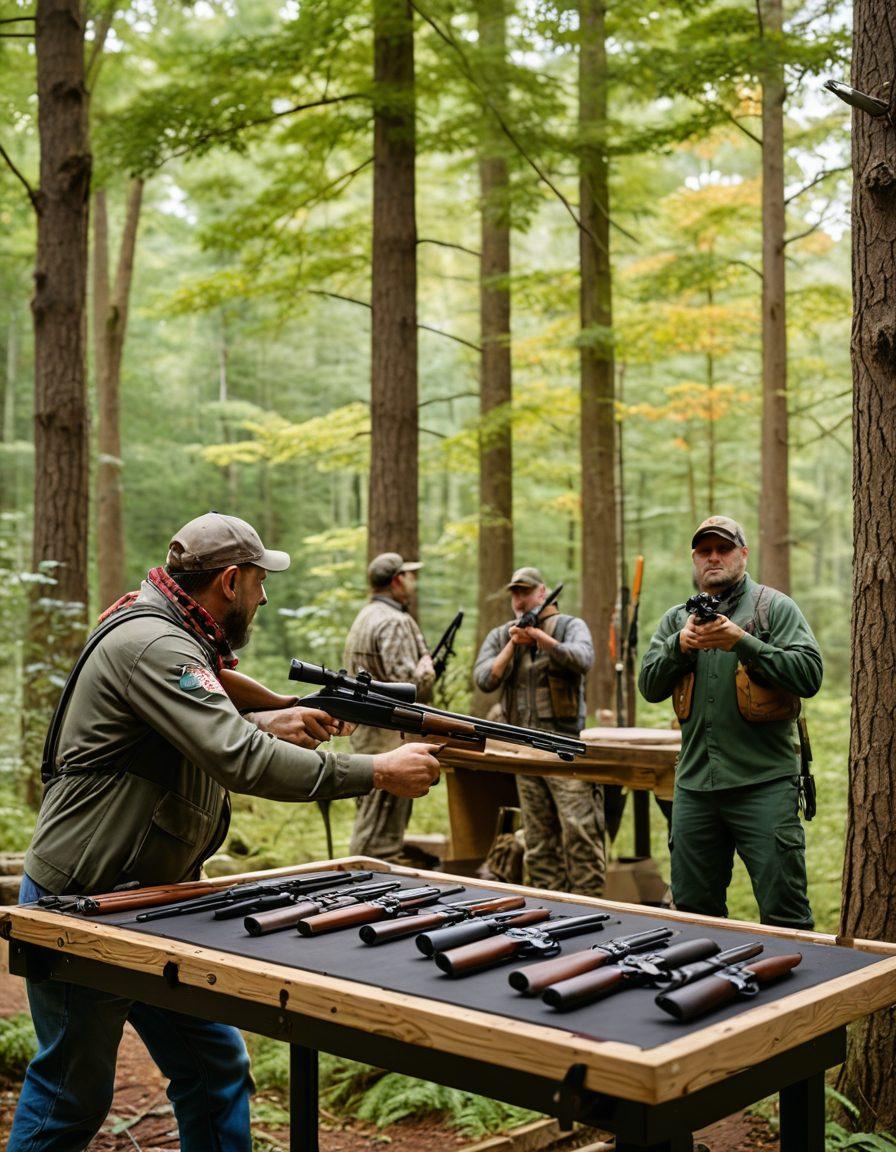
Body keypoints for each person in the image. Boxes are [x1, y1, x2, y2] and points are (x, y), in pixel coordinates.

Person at [8, 513, 441, 1152]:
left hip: (151, 900)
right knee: (72, 1097)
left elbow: (210, 703)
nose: (264, 598)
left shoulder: (171, 628)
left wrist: (274, 713)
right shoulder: (156, 644)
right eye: (260, 583)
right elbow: (239, 759)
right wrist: (376, 770)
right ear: (231, 581)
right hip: (85, 900)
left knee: (215, 1069)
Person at [638, 515, 822, 930]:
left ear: (743, 554)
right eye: (705, 551)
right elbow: (648, 686)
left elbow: (809, 675)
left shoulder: (774, 608)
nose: (714, 558)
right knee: (691, 914)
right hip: (695, 788)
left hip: (764, 785)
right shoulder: (676, 620)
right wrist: (678, 646)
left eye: (723, 549)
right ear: (695, 560)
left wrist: (743, 642)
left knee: (784, 915)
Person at [473, 567, 604, 897]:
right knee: (536, 837)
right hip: (524, 749)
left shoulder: (570, 626)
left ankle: (588, 904)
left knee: (580, 831)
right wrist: (514, 644)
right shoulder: (502, 634)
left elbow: (584, 659)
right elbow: (485, 680)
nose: (519, 599)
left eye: (526, 592)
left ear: (543, 593)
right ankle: (551, 903)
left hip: (564, 747)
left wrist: (541, 640)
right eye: (514, 593)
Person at [343, 551, 436, 863]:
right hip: (387, 737)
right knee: (380, 830)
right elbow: (404, 686)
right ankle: (365, 880)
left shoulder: (365, 615)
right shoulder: (393, 621)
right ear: (397, 581)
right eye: (409, 575)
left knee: (372, 814)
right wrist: (426, 670)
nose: (413, 582)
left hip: (368, 733)